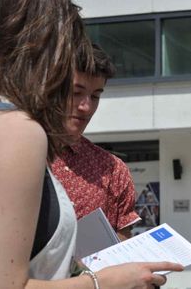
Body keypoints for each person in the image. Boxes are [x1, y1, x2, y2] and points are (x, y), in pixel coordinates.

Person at [0, 0, 182, 288]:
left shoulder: (109, 167)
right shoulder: (19, 131)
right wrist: (103, 283)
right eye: (64, 48)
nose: (85, 106)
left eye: (96, 95)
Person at [51, 43, 140, 240]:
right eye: (76, 93)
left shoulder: (112, 170)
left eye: (95, 96)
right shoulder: (15, 154)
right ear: (49, 88)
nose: (86, 106)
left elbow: (123, 250)